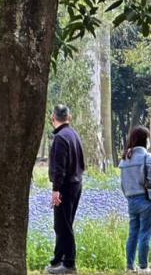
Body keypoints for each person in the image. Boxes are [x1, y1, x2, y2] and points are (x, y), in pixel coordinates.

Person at [46, 104, 85, 275]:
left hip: (65, 186)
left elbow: (59, 167)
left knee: (63, 225)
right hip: (76, 183)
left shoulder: (61, 138)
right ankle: (57, 260)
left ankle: (69, 263)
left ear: (53, 118)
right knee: (62, 223)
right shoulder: (74, 135)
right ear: (69, 117)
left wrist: (56, 190)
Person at [120, 126, 151, 274]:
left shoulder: (125, 159)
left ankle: (130, 266)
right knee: (145, 233)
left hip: (131, 199)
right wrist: (148, 184)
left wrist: (129, 194)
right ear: (145, 140)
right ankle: (144, 266)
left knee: (133, 233)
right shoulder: (147, 157)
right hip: (146, 198)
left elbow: (123, 183)